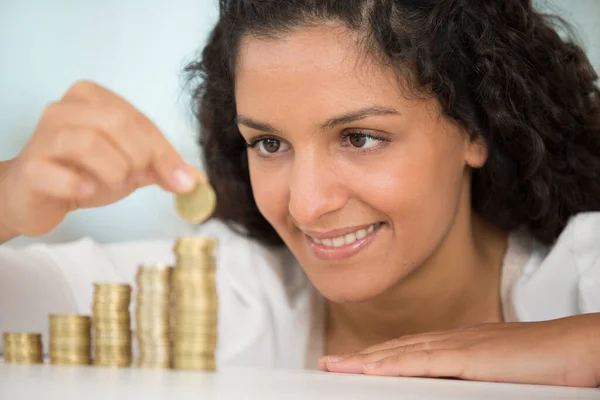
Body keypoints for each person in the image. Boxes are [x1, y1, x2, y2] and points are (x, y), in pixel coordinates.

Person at [1, 0, 599, 388]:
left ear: (476, 127)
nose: (306, 205)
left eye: (360, 137)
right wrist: (8, 192)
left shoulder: (580, 276)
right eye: (268, 144)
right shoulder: (230, 292)